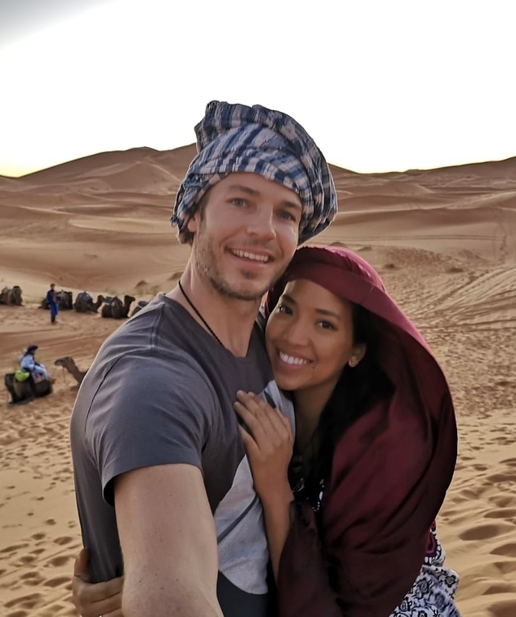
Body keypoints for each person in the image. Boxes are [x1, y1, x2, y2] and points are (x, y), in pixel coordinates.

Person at [72, 246, 461, 617]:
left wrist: (276, 490)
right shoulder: (272, 396)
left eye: (324, 323)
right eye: (286, 309)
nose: (293, 335)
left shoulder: (384, 450)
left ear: (356, 350)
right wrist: (139, 585)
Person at [68, 100, 337, 617]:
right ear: (192, 213)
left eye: (287, 213)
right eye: (241, 201)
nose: (264, 229)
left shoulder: (273, 341)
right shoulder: (149, 383)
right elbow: (171, 590)